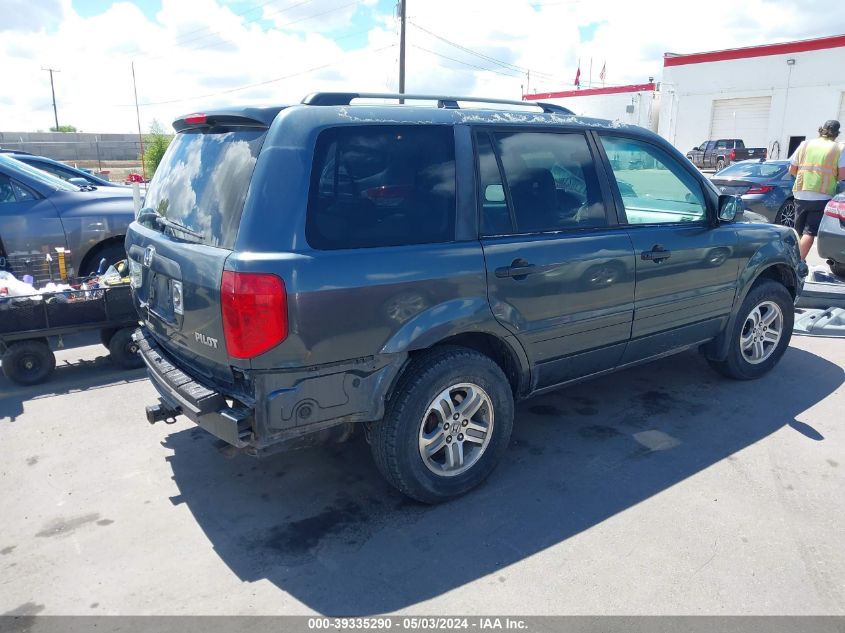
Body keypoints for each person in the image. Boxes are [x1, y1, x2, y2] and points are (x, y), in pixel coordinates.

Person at [788, 120, 845, 261]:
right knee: (810, 232)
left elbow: (792, 169)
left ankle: (789, 259)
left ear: (822, 130)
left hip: (801, 192)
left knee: (797, 231)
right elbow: (843, 175)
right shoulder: (839, 148)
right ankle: (798, 262)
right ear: (837, 133)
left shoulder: (805, 144)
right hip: (822, 194)